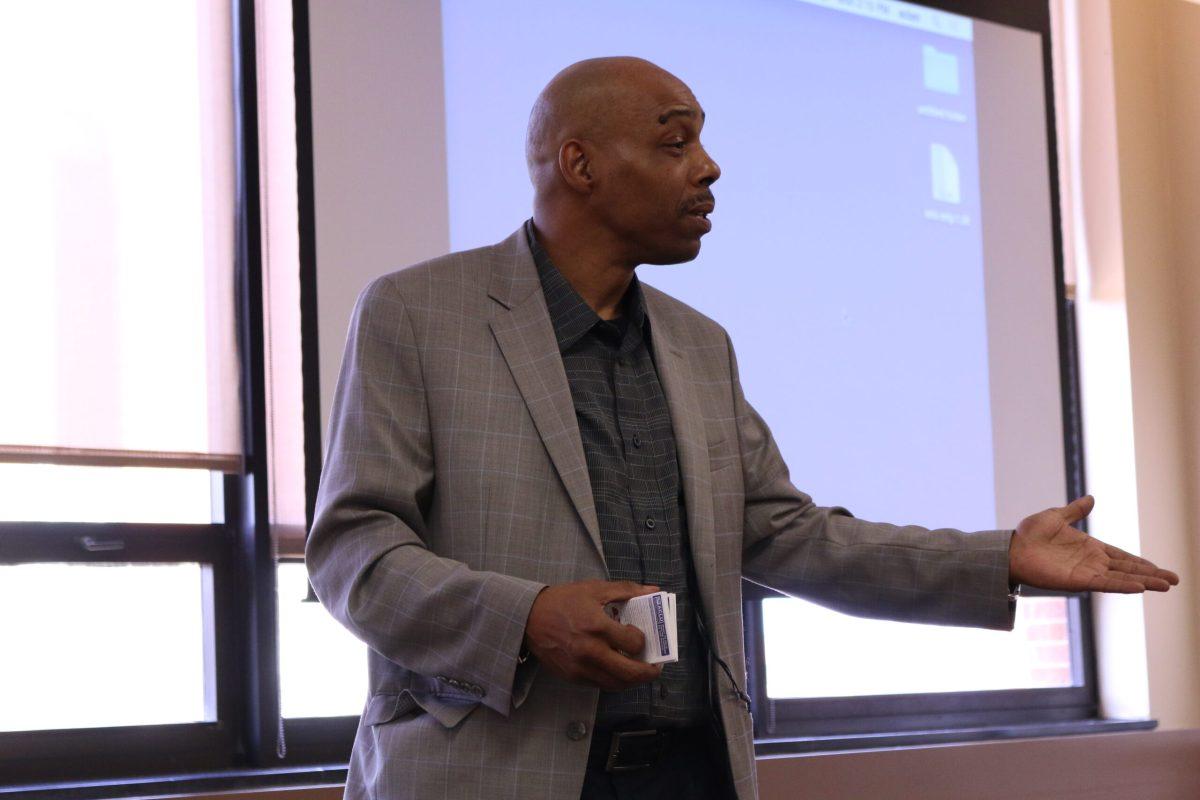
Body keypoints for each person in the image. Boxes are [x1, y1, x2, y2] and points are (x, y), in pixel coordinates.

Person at [305, 56, 1178, 800]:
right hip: (490, 772)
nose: (709, 167)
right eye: (675, 142)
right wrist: (523, 618)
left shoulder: (698, 344)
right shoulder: (417, 313)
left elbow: (785, 535)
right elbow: (354, 551)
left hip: (695, 772)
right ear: (579, 164)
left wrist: (999, 561)